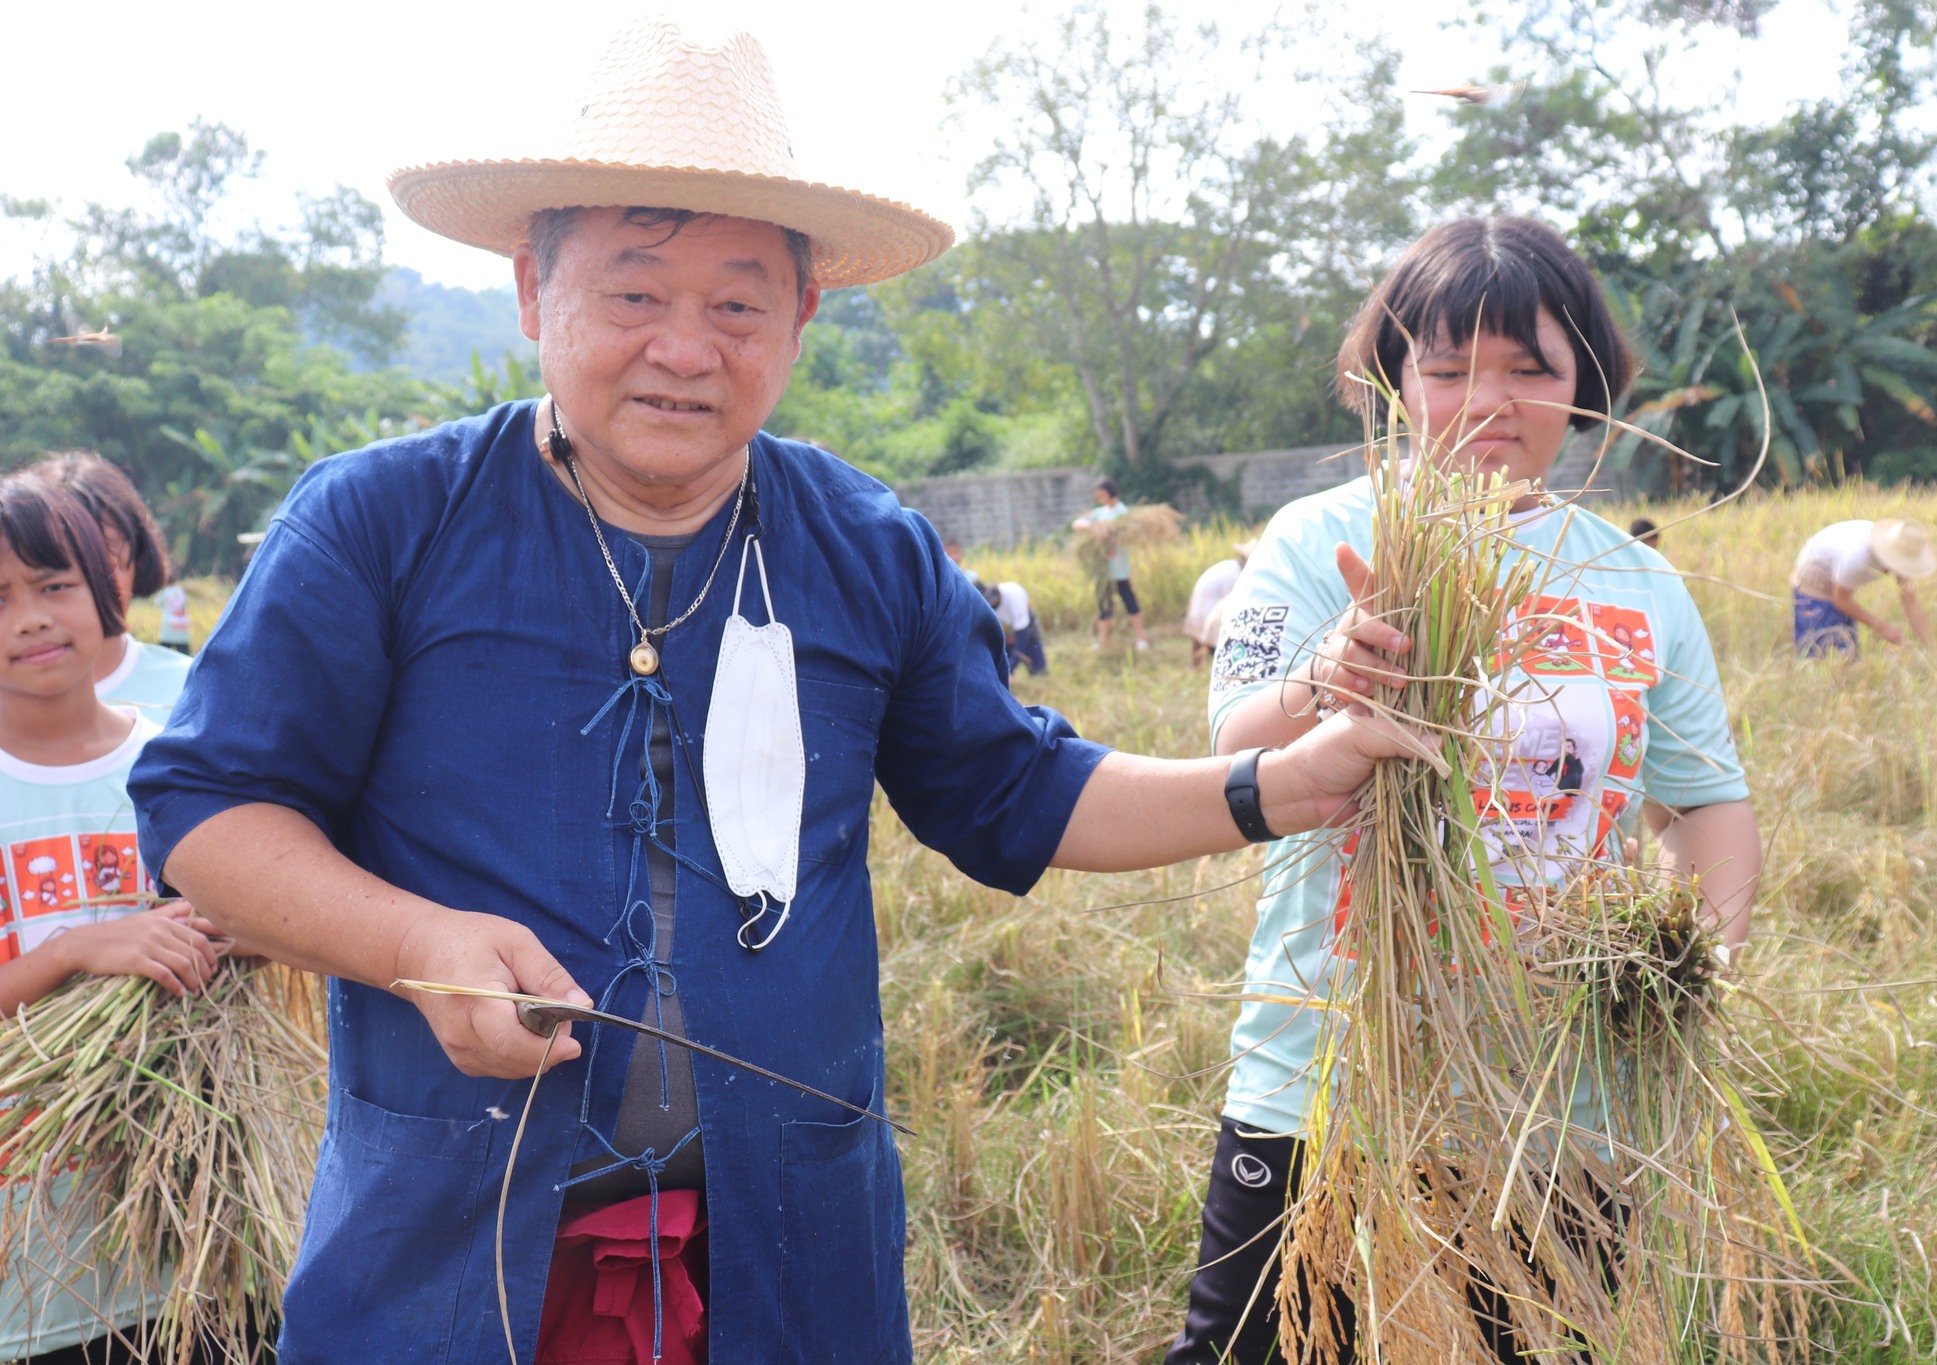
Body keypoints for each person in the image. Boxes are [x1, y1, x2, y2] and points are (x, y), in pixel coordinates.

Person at [126, 21, 1429, 1365]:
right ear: (532, 289)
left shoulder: (861, 547)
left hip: (787, 1255)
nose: (686, 348)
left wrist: (1279, 783)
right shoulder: (381, 525)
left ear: (802, 316)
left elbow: (1016, 787)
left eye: (738, 303)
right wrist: (425, 944)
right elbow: (211, 813)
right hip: (452, 1252)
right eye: (635, 293)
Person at [1174, 216, 1761, 1364]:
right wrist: (1326, 671)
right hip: (1327, 1079)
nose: (1484, 401)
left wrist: (1694, 964)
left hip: (1565, 1098)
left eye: (1525, 369)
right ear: (1390, 383)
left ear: (1583, 384)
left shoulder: (1635, 581)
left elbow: (1702, 807)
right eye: (1444, 370)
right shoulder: (1319, 538)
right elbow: (1227, 751)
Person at [0, 473, 224, 1365]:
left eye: (53, 586)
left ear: (108, 587)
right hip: (33, 1271)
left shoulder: (178, 763)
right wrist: (74, 950)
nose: (29, 618)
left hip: (198, 1248)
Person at [31, 454, 192, 711]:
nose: (80, 583)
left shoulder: (192, 693)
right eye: (54, 569)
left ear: (138, 557)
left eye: (100, 557)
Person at [1790, 517, 1937, 657]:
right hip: (1814, 581)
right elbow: (1841, 599)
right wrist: (1882, 627)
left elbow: (1910, 601)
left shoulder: (1903, 557)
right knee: (1821, 651)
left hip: (1839, 580)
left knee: (1847, 653)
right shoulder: (1858, 557)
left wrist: (1932, 648)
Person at [1072, 477, 1150, 651]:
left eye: (1102, 494)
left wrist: (1110, 533)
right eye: (1097, 496)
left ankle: (1141, 638)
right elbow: (1077, 524)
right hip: (1103, 571)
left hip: (1120, 569)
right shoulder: (1100, 513)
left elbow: (1131, 534)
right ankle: (1103, 641)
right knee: (1104, 606)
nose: (1099, 498)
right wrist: (1092, 528)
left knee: (1130, 602)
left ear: (1110, 492)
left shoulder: (1123, 513)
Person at [1184, 540, 1254, 669]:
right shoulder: (1235, 574)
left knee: (1199, 641)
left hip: (1202, 603)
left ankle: (1196, 669)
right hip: (1208, 606)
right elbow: (1232, 601)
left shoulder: (1230, 566)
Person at [979, 578, 1045, 680]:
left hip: (1025, 626)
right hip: (1005, 628)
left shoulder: (1014, 598)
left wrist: (1012, 665)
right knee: (1003, 652)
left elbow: (1022, 635)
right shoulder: (984, 603)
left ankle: (1038, 674)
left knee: (1033, 650)